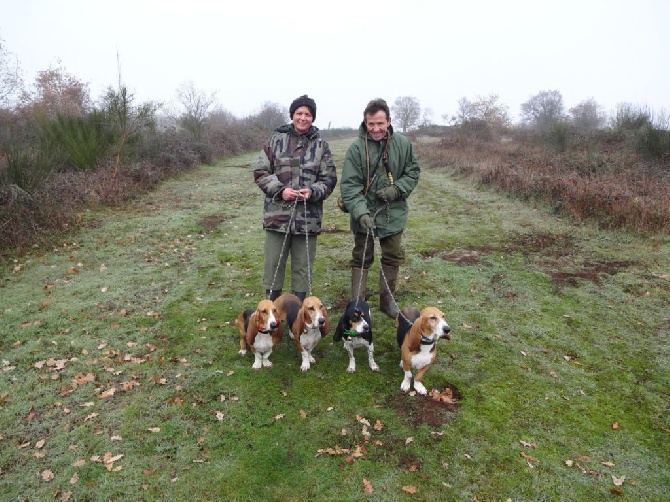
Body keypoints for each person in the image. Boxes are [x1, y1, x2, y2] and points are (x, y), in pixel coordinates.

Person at [339, 98, 420, 318]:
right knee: (361, 256)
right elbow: (349, 186)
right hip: (363, 213)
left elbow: (413, 172)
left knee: (393, 255)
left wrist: (397, 190)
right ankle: (358, 303)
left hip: (393, 214)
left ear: (389, 121)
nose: (375, 129)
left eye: (380, 124)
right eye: (371, 124)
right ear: (365, 123)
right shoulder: (356, 149)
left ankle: (387, 302)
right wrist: (361, 213)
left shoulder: (402, 144)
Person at [253, 95, 337, 302]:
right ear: (292, 115)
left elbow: (329, 178)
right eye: (299, 113)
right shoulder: (275, 141)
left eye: (307, 114)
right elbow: (261, 172)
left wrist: (313, 191)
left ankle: (297, 314)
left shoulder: (321, 146)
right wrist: (280, 190)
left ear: (313, 118)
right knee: (274, 264)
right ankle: (270, 311)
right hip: (277, 216)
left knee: (302, 267)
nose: (303, 118)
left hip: (308, 218)